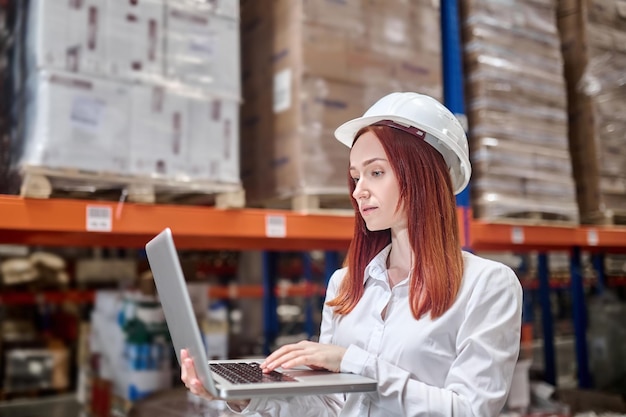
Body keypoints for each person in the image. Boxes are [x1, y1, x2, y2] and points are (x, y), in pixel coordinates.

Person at [181, 92, 523, 416]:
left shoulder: (487, 285)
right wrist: (246, 398)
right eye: (355, 177)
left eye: (376, 172)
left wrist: (353, 363)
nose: (359, 191)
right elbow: (332, 407)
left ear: (424, 177)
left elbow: (470, 410)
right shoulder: (345, 284)